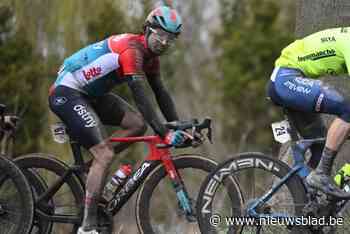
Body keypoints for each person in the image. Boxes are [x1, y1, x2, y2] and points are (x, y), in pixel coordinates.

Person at [48, 6, 185, 234]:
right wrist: (164, 133)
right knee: (105, 153)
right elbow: (142, 98)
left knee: (137, 124)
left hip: (92, 95)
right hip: (66, 92)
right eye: (160, 35)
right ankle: (87, 226)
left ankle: (93, 169)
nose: (163, 43)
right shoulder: (132, 51)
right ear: (147, 30)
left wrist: (179, 125)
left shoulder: (151, 59)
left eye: (170, 39)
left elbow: (160, 93)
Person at [267, 26, 350, 198]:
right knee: (347, 109)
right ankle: (321, 175)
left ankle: (310, 209)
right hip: (286, 78)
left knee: (320, 150)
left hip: (293, 81)